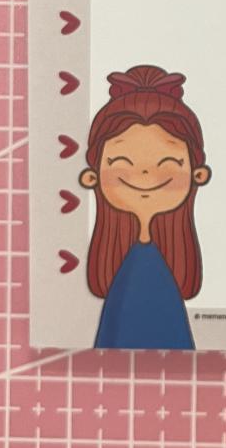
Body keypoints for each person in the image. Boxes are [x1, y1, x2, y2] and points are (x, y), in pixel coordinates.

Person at [79, 65, 211, 349]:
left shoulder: (162, 269)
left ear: (198, 175)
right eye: (121, 164)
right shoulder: (124, 269)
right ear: (92, 176)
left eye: (169, 164)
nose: (145, 175)